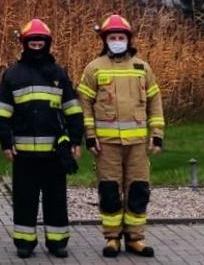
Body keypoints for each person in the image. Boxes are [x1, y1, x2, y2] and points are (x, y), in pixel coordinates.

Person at [0, 18, 84, 259]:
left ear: (47, 43)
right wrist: (5, 143)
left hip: (55, 153)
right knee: (25, 199)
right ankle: (25, 242)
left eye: (40, 41)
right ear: (24, 43)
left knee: (56, 199)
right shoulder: (12, 74)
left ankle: (57, 242)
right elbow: (2, 112)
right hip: (23, 153)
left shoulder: (58, 73)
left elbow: (73, 109)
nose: (37, 44)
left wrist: (75, 140)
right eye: (32, 41)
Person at [78, 14, 165, 258]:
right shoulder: (94, 68)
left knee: (138, 190)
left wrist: (156, 133)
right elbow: (84, 103)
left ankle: (135, 238)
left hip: (137, 144)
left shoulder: (142, 67)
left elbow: (154, 100)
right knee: (109, 191)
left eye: (121, 37)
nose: (117, 41)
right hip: (106, 145)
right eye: (113, 37)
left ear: (128, 39)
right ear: (105, 40)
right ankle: (112, 238)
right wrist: (90, 136)